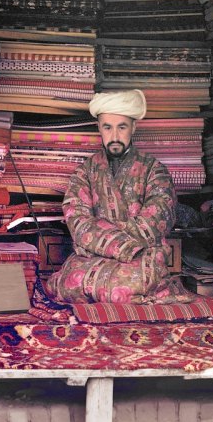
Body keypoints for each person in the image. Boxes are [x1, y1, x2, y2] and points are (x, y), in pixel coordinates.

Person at [46, 89, 193, 304]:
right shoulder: (85, 172)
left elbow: (157, 218)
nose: (114, 136)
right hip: (92, 257)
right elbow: (77, 221)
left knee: (124, 289)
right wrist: (114, 244)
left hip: (140, 255)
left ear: (134, 127)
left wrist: (113, 239)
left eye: (121, 127)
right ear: (99, 128)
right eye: (108, 127)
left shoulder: (154, 170)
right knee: (70, 282)